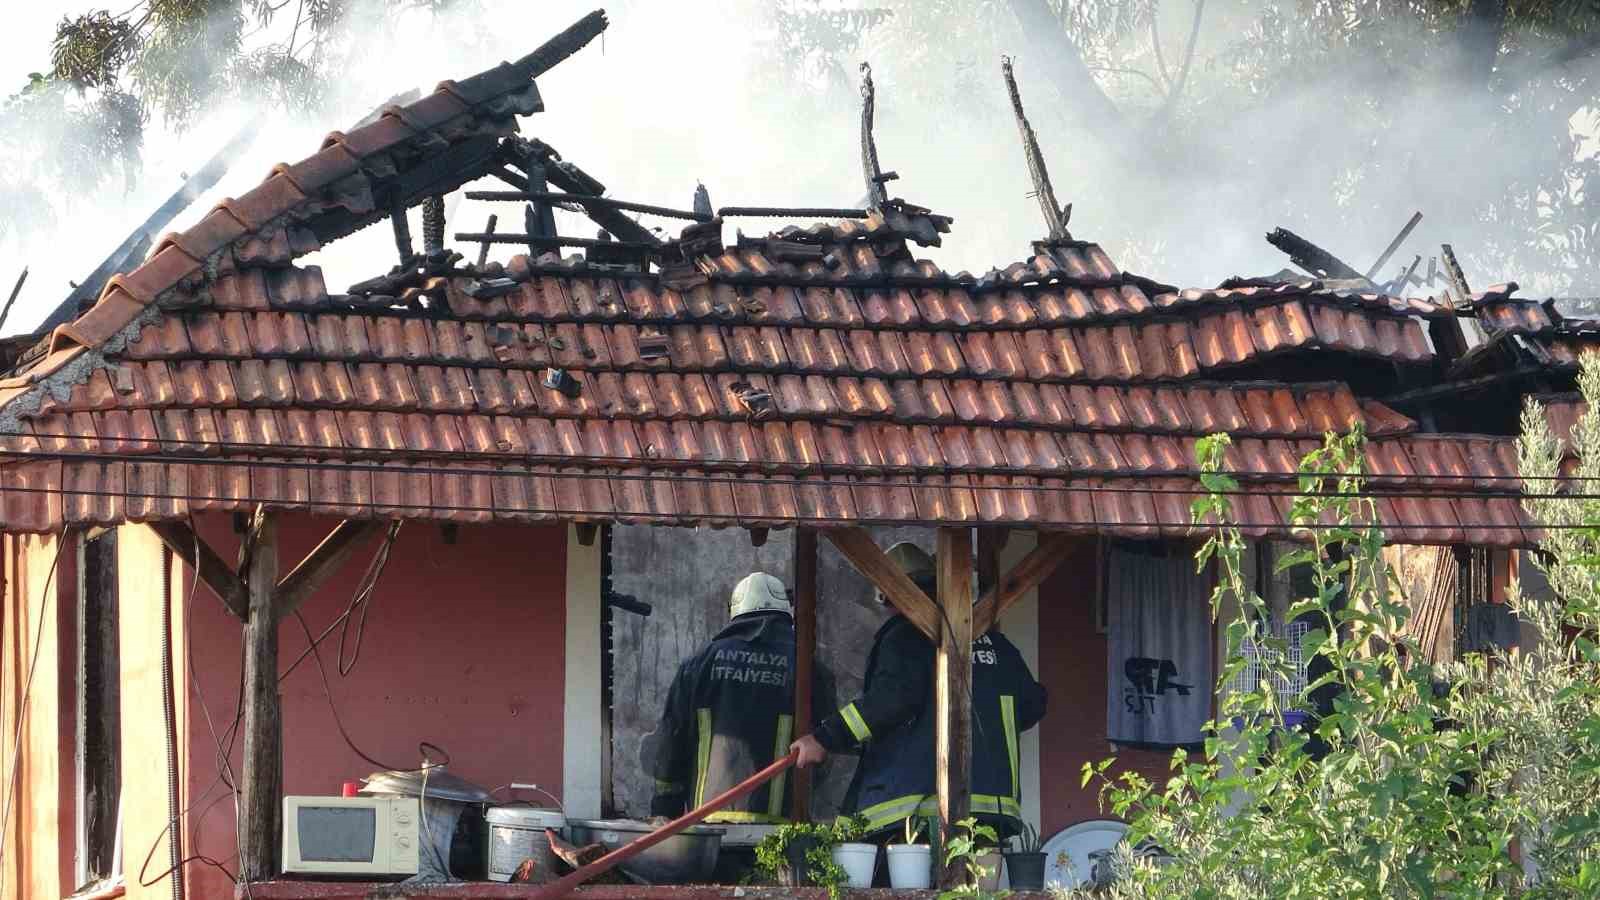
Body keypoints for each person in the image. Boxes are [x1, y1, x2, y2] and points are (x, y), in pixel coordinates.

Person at [790, 542, 1047, 839]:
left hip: (918, 806)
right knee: (976, 884)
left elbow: (890, 700)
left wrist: (824, 738)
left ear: (889, 594)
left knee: (897, 879)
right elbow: (1032, 704)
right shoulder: (997, 644)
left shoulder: (905, 638)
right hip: (994, 807)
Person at [649, 571, 830, 823]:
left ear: (735, 612)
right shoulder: (808, 667)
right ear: (785, 613)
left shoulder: (698, 665)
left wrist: (664, 811)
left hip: (709, 825)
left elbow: (672, 741)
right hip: (781, 829)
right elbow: (826, 746)